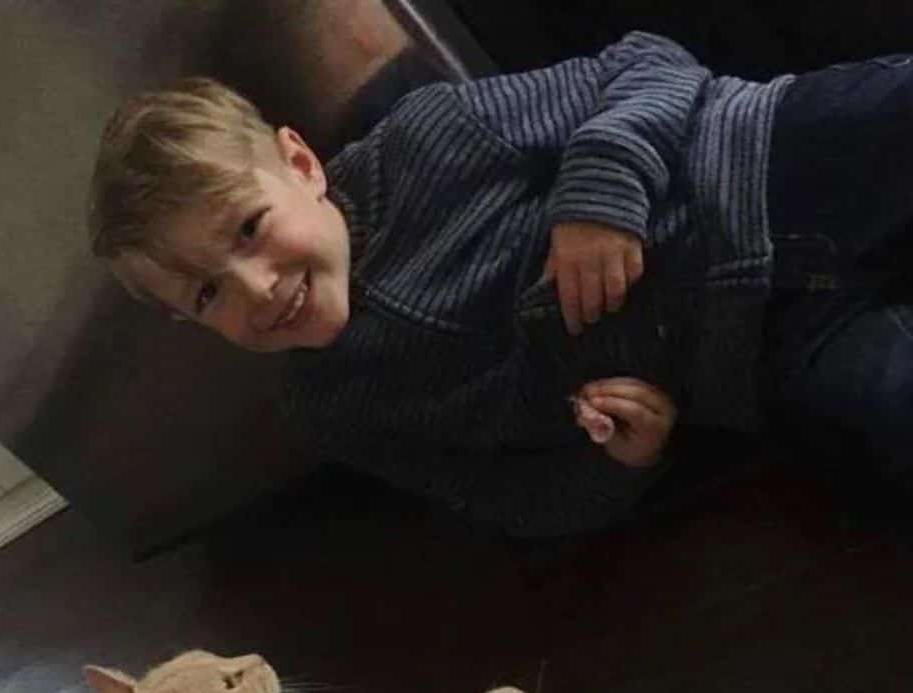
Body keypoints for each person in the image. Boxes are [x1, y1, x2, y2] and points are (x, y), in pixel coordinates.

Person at [86, 33, 913, 538]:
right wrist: (623, 462)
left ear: (301, 165)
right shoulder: (335, 407)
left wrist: (602, 186)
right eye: (206, 296)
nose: (256, 289)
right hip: (763, 348)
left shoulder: (430, 135)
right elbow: (511, 502)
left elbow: (647, 62)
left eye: (248, 230)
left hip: (768, 158)